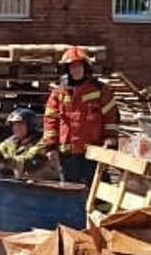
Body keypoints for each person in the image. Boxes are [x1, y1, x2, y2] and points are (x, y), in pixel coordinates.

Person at [42, 47, 119, 185]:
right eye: (72, 67)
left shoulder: (100, 90)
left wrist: (111, 140)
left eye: (78, 66)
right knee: (70, 191)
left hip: (94, 151)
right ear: (67, 70)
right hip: (68, 154)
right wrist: (50, 146)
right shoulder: (59, 92)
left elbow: (111, 116)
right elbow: (50, 120)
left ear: (86, 68)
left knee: (97, 191)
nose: (75, 70)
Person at [0, 109, 53, 180]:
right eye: (14, 125)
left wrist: (5, 161)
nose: (16, 128)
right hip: (15, 184)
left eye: (20, 124)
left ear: (31, 126)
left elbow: (29, 162)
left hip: (37, 187)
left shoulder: (41, 143)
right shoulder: (12, 141)